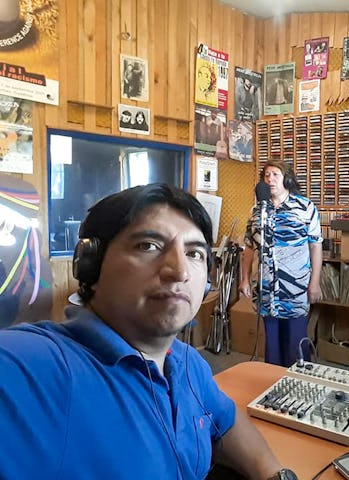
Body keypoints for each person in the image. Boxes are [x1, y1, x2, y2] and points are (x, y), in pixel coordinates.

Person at [0, 183, 298, 480]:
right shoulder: (34, 367)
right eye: (148, 246)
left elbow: (227, 422)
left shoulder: (186, 362)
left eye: (194, 253)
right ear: (90, 265)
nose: (179, 271)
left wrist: (273, 473)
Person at [239, 160, 323, 367]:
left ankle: (301, 387)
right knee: (272, 344)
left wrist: (315, 283)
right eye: (266, 175)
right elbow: (249, 247)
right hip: (266, 289)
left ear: (287, 179)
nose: (270, 179)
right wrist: (245, 279)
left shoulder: (305, 207)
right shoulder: (257, 211)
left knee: (296, 343)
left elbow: (316, 246)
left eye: (275, 174)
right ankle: (273, 388)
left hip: (295, 288)